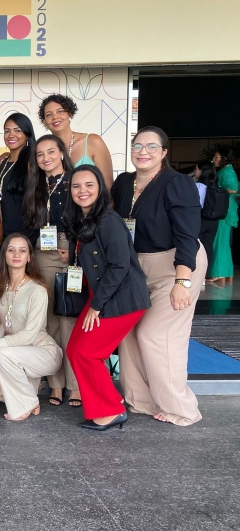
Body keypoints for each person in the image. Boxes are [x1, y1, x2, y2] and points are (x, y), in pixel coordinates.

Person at [112, 127, 207, 426]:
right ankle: (140, 400)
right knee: (127, 332)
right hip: (136, 266)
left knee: (156, 334)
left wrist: (182, 281)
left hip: (175, 262)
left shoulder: (177, 184)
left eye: (152, 146)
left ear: (164, 152)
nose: (143, 151)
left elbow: (188, 234)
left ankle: (181, 408)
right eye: (138, 145)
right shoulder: (124, 183)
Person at [63, 165, 150, 431]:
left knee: (88, 353)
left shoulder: (109, 220)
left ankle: (111, 411)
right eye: (76, 186)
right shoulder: (85, 219)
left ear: (100, 187)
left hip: (121, 299)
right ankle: (107, 406)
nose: (82, 191)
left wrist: (96, 306)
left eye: (89, 185)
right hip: (102, 295)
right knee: (75, 350)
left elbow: (120, 267)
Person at [23, 134, 80, 407]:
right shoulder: (36, 184)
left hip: (71, 250)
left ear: (61, 153)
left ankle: (76, 385)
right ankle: (56, 384)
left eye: (50, 152)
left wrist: (76, 248)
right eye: (40, 154)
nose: (45, 158)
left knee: (71, 319)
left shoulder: (75, 180)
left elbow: (87, 216)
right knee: (50, 320)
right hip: (42, 253)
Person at [0, 233, 62, 420]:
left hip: (43, 352)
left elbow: (29, 335)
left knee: (2, 353)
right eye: (11, 250)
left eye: (22, 250)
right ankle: (29, 389)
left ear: (29, 257)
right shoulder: (1, 288)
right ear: (5, 256)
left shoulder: (37, 290)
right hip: (16, 359)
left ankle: (26, 405)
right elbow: (3, 323)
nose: (17, 254)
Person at [39, 94, 114, 189]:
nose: (55, 117)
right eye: (49, 115)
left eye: (60, 111)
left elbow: (108, 187)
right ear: (44, 122)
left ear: (70, 114)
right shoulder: (42, 152)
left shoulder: (93, 142)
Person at [0, 114, 38, 245]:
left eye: (17, 130)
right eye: (7, 131)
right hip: (3, 235)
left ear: (27, 135)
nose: (11, 135)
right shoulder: (4, 162)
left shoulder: (33, 162)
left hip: (25, 237)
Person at [206, 146, 238, 284]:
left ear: (224, 158)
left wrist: (216, 189)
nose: (214, 160)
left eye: (216, 157)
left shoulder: (226, 172)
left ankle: (219, 273)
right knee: (223, 243)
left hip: (223, 212)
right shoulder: (227, 170)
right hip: (227, 212)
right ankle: (227, 273)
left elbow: (233, 189)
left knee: (219, 243)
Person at [194, 161, 219, 272]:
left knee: (196, 245)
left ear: (202, 171)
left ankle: (196, 272)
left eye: (196, 169)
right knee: (208, 246)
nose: (195, 171)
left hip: (200, 218)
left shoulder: (198, 186)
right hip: (213, 221)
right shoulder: (216, 187)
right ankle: (205, 273)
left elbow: (195, 204)